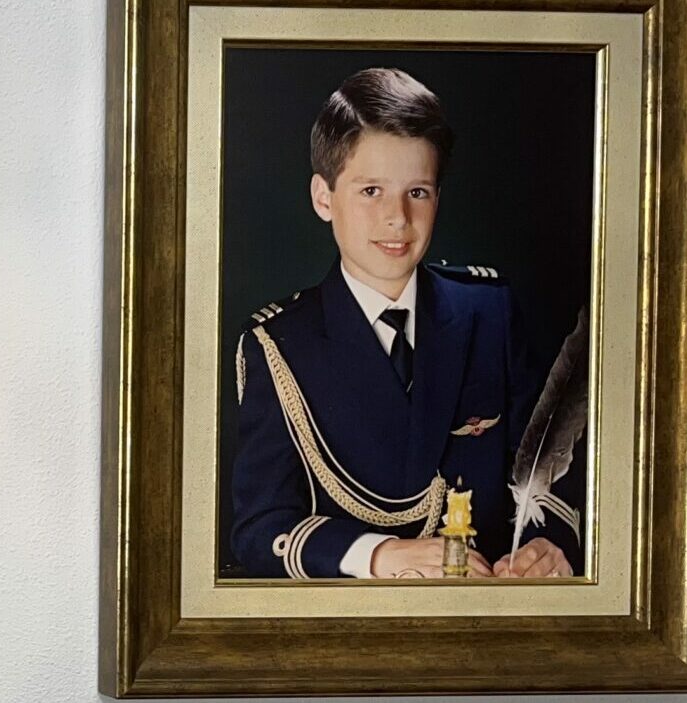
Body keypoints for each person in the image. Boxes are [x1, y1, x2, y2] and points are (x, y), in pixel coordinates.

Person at [231, 67, 583, 580]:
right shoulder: (281, 344)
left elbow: (549, 471)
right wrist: (379, 554)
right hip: (353, 620)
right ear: (324, 197)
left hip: (486, 605)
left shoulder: (489, 312)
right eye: (371, 190)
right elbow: (260, 528)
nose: (397, 217)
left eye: (417, 192)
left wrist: (546, 545)